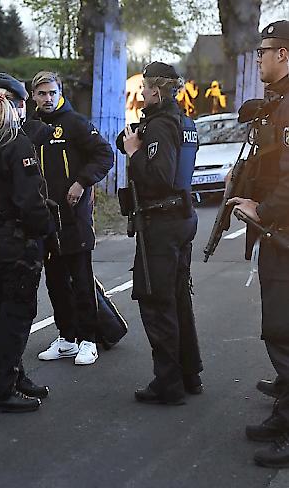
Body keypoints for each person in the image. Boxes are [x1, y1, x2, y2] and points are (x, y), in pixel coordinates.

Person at [117, 61, 203, 405]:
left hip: (162, 222)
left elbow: (159, 177)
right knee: (178, 297)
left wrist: (135, 152)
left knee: (156, 300)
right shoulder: (184, 121)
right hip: (182, 217)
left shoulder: (161, 125)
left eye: (144, 87)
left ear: (155, 90)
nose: (141, 93)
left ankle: (168, 384)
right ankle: (188, 373)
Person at [227, 20, 289, 468]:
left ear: (283, 54)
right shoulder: (279, 103)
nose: (259, 58)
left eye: (264, 51)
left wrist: (262, 211)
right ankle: (283, 416)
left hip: (284, 234)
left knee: (285, 333)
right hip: (279, 235)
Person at [0, 73, 53, 414]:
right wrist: (46, 231)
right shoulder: (17, 144)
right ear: (21, 104)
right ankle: (1, 389)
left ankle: (15, 375)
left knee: (2, 306)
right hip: (17, 238)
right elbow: (29, 199)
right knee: (17, 313)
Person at [30, 71, 114, 366]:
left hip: (75, 219)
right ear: (34, 96)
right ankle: (66, 337)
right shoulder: (32, 128)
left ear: (60, 92)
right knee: (55, 282)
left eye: (52, 92)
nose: (47, 98)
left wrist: (81, 183)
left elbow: (105, 155)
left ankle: (89, 339)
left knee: (80, 280)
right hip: (46, 220)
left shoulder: (76, 123)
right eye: (42, 94)